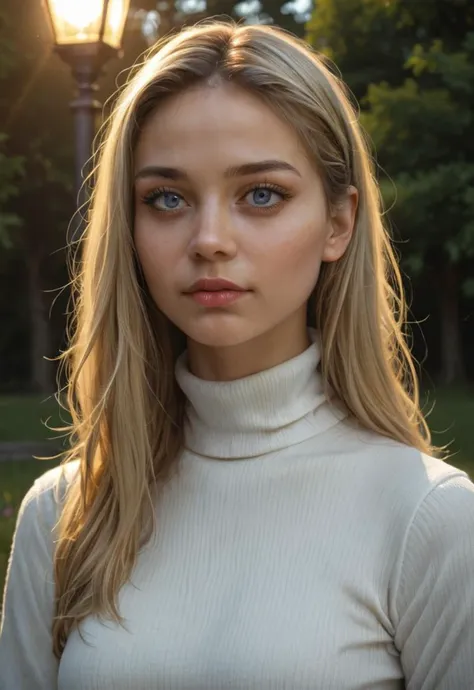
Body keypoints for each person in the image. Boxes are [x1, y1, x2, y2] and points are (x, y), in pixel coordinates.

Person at [1, 20, 473, 690]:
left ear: (339, 222)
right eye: (167, 198)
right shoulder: (64, 514)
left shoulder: (430, 520)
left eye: (261, 195)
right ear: (129, 227)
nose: (210, 239)